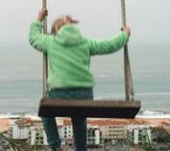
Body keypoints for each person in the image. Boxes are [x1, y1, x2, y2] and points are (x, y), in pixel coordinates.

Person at [29, 9, 131, 151]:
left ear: (56, 32)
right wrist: (124, 35)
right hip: (84, 95)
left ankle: (55, 145)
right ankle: (81, 148)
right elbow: (109, 45)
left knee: (46, 113)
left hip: (59, 94)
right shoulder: (85, 43)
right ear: (73, 28)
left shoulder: (50, 42)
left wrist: (39, 19)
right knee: (79, 120)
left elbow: (33, 38)